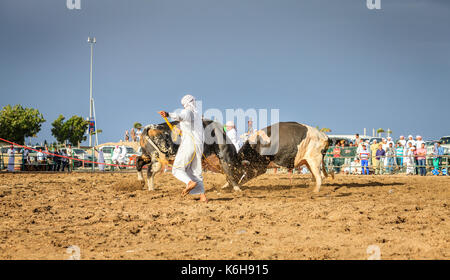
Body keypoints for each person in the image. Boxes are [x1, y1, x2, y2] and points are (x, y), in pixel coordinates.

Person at [159, 94, 207, 202]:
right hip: (199, 146)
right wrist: (181, 132)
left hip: (189, 144)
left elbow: (181, 116)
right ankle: (202, 197)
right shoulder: (198, 115)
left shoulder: (188, 111)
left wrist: (168, 114)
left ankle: (189, 183)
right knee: (196, 172)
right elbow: (192, 131)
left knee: (177, 169)